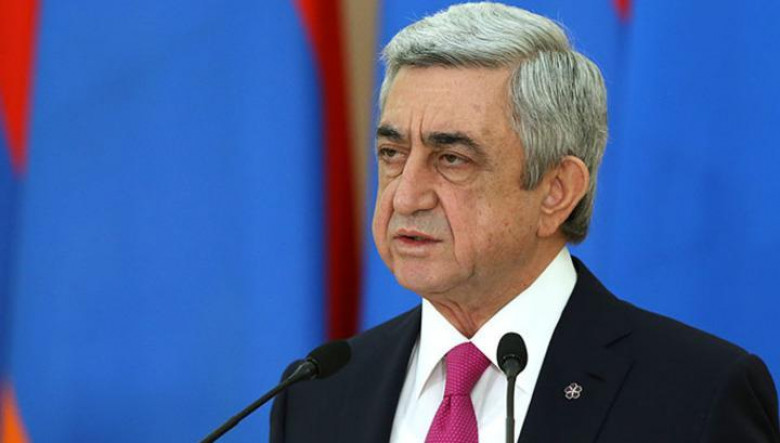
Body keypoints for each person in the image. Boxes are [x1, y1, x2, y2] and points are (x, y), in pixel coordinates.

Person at [271, 3, 780, 442]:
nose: (405, 195)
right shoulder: (317, 393)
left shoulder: (696, 396)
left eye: (452, 159)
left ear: (556, 191)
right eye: (392, 153)